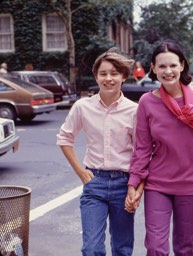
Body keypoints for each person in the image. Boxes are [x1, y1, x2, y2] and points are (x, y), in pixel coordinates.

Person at [125, 39, 193, 256]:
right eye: (162, 66)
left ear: (182, 65)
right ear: (153, 69)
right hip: (158, 185)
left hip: (191, 184)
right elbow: (142, 148)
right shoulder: (146, 102)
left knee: (184, 249)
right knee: (155, 248)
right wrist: (134, 182)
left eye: (173, 65)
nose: (168, 71)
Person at [56, 48, 142, 256]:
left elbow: (142, 152)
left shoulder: (135, 110)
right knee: (91, 248)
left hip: (124, 183)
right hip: (95, 183)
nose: (108, 78)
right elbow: (64, 138)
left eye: (114, 73)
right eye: (103, 73)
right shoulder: (82, 107)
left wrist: (136, 188)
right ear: (96, 76)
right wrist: (80, 172)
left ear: (123, 76)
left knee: (122, 248)